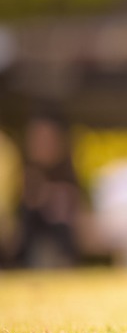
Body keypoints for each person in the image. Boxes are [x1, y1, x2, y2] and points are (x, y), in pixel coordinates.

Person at [10, 108, 86, 268]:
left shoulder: (69, 181)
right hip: (22, 263)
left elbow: (80, 231)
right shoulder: (17, 177)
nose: (43, 145)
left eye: (48, 139)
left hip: (62, 262)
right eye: (37, 139)